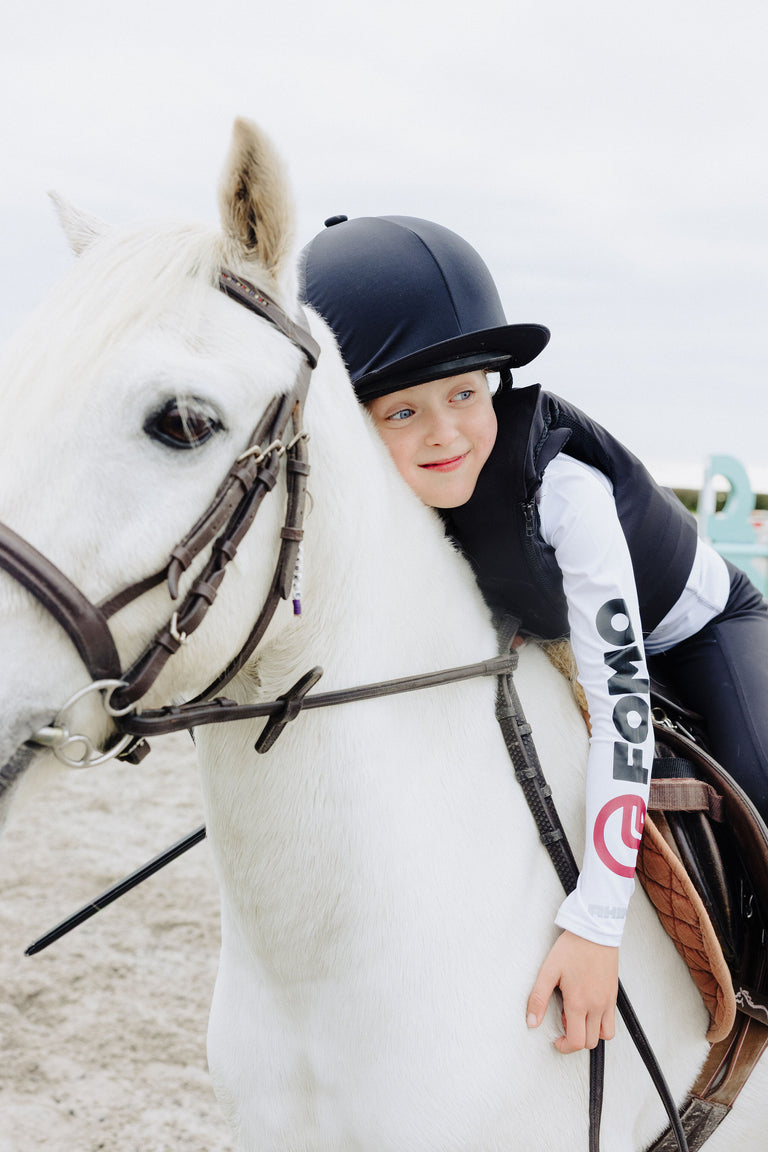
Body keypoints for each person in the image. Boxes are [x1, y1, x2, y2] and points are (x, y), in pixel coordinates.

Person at [299, 213, 768, 1056]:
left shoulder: (565, 491)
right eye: (401, 410)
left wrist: (595, 926)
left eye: (464, 394)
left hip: (694, 629)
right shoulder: (367, 496)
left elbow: (620, 701)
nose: (444, 430)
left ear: (493, 384)